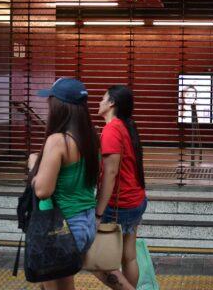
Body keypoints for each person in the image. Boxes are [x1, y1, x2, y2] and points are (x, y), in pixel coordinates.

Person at [28, 78, 100, 290]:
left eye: (50, 101)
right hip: (85, 223)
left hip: (63, 226)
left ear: (59, 106)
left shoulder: (58, 141)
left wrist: (33, 164)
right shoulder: (91, 136)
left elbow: (42, 190)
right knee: (64, 283)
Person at [93, 85, 147, 290]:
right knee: (129, 257)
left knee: (96, 258)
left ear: (112, 103)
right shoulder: (127, 126)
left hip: (119, 205)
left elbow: (111, 173)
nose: (99, 102)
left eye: (102, 98)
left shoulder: (112, 129)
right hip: (136, 200)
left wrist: (98, 214)